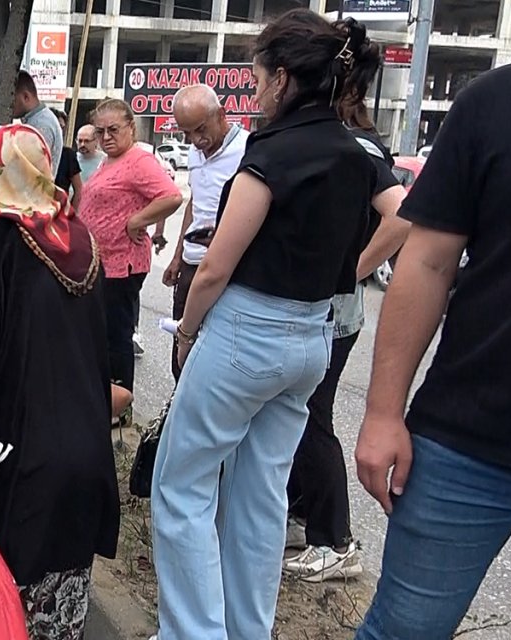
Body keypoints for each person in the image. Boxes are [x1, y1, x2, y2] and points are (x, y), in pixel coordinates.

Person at [149, 12, 383, 639]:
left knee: (182, 487)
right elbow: (403, 214)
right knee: (261, 497)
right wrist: (354, 268)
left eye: (256, 78)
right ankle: (246, 631)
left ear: (282, 79)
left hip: (246, 333)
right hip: (313, 336)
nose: (253, 91)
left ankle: (195, 634)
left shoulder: (272, 151)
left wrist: (189, 330)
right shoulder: (352, 149)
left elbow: (215, 266)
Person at [352, 64, 511, 640]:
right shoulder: (495, 102)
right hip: (468, 439)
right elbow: (426, 261)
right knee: (404, 630)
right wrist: (381, 412)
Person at [0, 124, 124, 639]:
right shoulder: (82, 241)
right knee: (62, 618)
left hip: (19, 467)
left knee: (4, 616)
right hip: (85, 460)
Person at [283, 72, 409, 582]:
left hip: (333, 316)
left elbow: (402, 216)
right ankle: (302, 514)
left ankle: (335, 540)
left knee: (313, 417)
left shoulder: (354, 147)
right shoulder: (328, 142)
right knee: (295, 416)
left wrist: (350, 270)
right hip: (314, 310)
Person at [79, 98, 182, 392]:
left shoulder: (139, 161)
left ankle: (121, 402)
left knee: (116, 337)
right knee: (101, 335)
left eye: (113, 129)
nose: (106, 137)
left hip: (121, 265)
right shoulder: (109, 160)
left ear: (131, 128)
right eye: (100, 132)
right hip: (102, 263)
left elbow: (171, 196)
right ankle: (105, 396)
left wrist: (137, 221)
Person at [162, 84, 249, 381]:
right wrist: (177, 257)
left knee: (218, 354)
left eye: (200, 129)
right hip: (191, 263)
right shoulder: (195, 153)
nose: (195, 140)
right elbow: (195, 204)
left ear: (221, 115)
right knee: (181, 350)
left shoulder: (249, 151)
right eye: (186, 133)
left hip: (229, 269)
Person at [11, 71, 62, 176]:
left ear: (25, 97)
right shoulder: (36, 120)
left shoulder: (42, 125)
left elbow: (32, 170)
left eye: (12, 100)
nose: (9, 106)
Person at [51, 108, 85, 209]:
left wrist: (71, 215)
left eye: (62, 128)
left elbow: (78, 189)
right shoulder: (34, 151)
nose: (60, 131)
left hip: (59, 213)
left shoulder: (68, 155)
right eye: (57, 127)